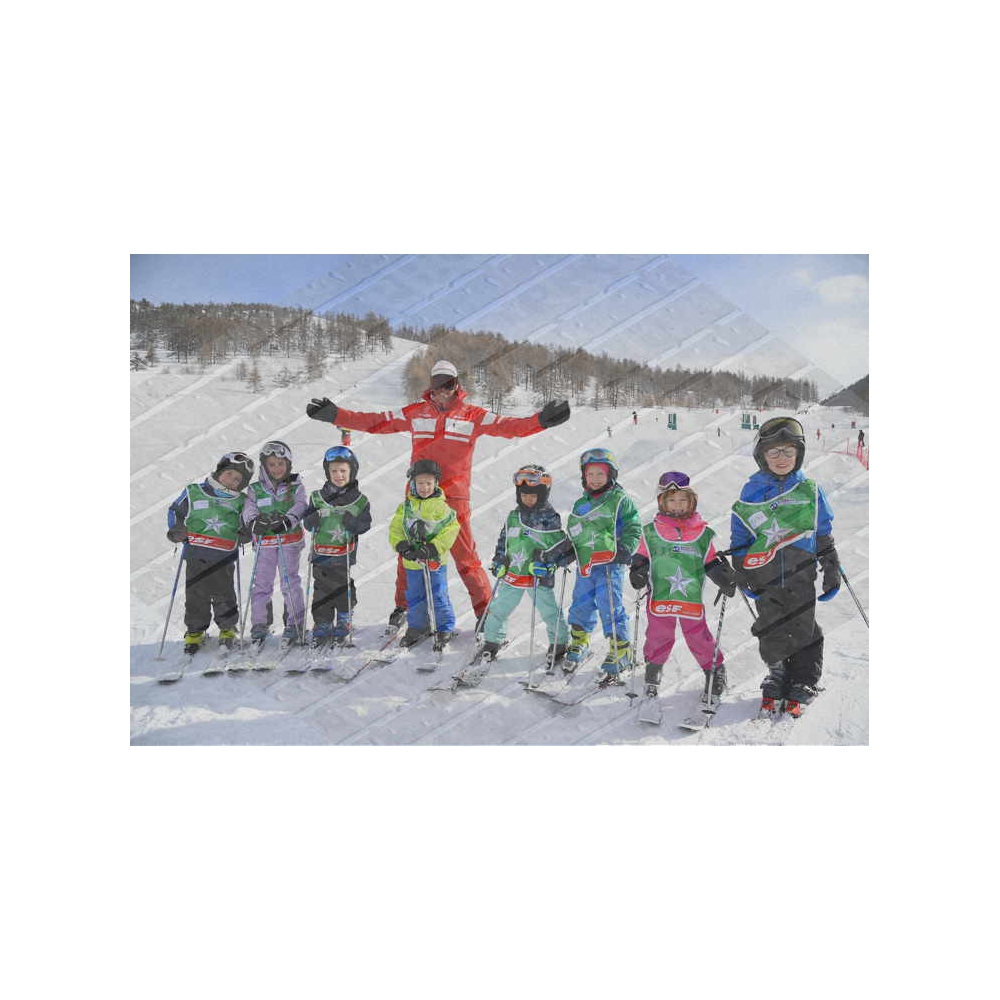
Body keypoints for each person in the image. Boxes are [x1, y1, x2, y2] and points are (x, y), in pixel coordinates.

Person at [306, 359, 570, 627]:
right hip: (418, 497)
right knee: (408, 553)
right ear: (430, 386)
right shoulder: (416, 413)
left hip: (454, 499)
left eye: (448, 384)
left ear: (457, 385)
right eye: (437, 384)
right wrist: (336, 415)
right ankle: (404, 606)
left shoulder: (473, 416)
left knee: (466, 558)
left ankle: (485, 613)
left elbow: (510, 426)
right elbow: (376, 422)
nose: (443, 390)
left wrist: (541, 421)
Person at [730, 416, 840, 717]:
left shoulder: (809, 490)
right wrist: (741, 567)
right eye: (774, 452)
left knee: (804, 625)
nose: (782, 458)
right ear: (762, 455)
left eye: (789, 451)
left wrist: (830, 566)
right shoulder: (751, 491)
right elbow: (741, 532)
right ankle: (778, 671)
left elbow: (822, 531)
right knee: (770, 625)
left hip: (800, 570)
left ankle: (804, 678)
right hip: (764, 573)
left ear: (798, 455)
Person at [628, 472, 736, 700]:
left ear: (691, 501)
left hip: (689, 598)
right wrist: (638, 568)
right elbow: (643, 554)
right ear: (662, 502)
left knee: (697, 634)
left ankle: (714, 669)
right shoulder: (651, 532)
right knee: (658, 633)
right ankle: (654, 666)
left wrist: (721, 575)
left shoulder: (701, 533)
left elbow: (709, 559)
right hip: (661, 595)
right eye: (672, 500)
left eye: (682, 500)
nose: (677, 505)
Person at [540, 448, 641, 675]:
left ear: (611, 475)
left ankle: (621, 648)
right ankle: (580, 639)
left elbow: (633, 526)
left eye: (600, 474)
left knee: (610, 604)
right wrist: (568, 552)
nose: (594, 479)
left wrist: (626, 547)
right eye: (590, 474)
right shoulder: (580, 504)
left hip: (610, 563)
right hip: (586, 564)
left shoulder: (620, 500)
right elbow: (576, 531)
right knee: (581, 602)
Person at [480, 465, 570, 664]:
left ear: (543, 495)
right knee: (499, 607)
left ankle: (559, 641)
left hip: (537, 575)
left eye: (533, 495)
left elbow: (562, 547)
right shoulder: (513, 516)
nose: (528, 499)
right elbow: (504, 540)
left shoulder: (549, 519)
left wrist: (546, 562)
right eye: (524, 495)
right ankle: (492, 640)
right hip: (513, 573)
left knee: (548, 610)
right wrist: (499, 559)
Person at [166, 452, 253, 655]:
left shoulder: (241, 500)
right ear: (220, 471)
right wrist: (177, 529)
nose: (231, 480)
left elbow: (249, 520)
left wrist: (245, 532)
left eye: (237, 479)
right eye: (229, 474)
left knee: (224, 594)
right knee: (196, 594)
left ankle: (227, 628)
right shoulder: (194, 491)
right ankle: (195, 631)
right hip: (196, 552)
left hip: (224, 555)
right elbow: (175, 511)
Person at [301, 446, 372, 647]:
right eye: (334, 471)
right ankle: (322, 622)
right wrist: (311, 520)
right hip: (321, 553)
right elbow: (308, 521)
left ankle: (343, 618)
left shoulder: (359, 500)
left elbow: (365, 524)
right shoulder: (317, 497)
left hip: (343, 554)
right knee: (321, 590)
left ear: (352, 471)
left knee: (341, 587)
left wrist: (353, 523)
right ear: (327, 472)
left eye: (343, 471)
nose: (339, 475)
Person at [241, 441, 309, 648]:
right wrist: (254, 522)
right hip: (265, 543)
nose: (277, 468)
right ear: (264, 466)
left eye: (281, 464)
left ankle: (295, 623)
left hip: (289, 541)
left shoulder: (295, 486)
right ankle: (260, 623)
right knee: (262, 583)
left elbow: (301, 505)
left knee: (290, 582)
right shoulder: (255, 489)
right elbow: (248, 508)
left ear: (288, 464)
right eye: (272, 464)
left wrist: (288, 520)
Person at [388, 459, 461, 651]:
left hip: (434, 561)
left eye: (429, 483)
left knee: (438, 594)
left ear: (436, 483)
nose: (425, 487)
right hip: (413, 562)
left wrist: (433, 547)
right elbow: (395, 529)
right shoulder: (406, 507)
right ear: (413, 483)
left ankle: (444, 627)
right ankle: (418, 626)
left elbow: (451, 529)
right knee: (415, 595)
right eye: (420, 483)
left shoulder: (441, 507)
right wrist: (402, 545)